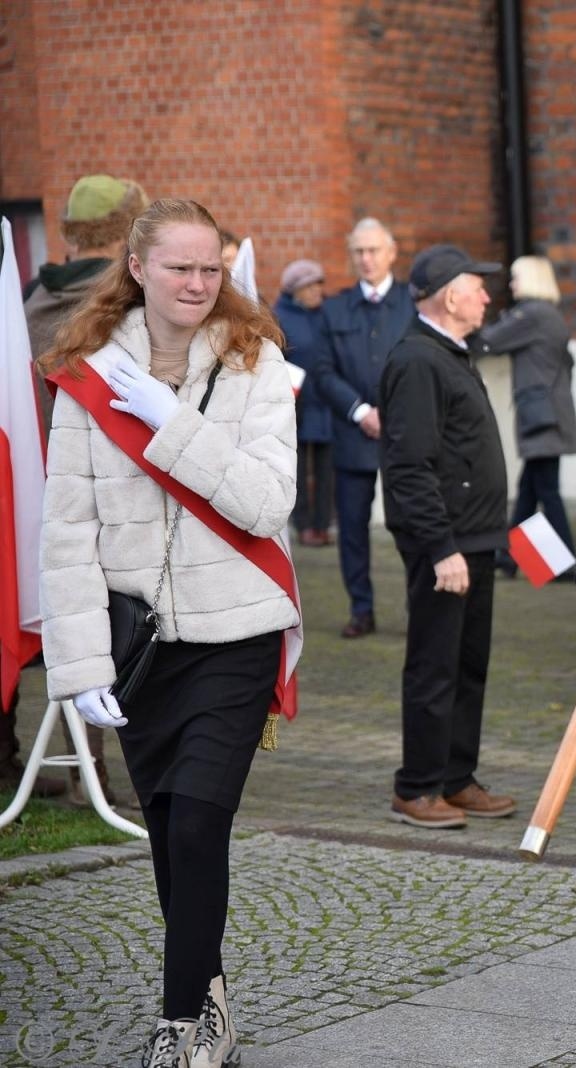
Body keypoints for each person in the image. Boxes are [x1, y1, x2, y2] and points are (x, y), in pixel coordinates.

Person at [36, 198, 299, 1068]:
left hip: (237, 635)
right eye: (179, 266)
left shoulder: (256, 362)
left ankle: (183, 1024)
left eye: (210, 268)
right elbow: (67, 532)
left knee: (197, 828)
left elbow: (266, 502)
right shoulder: (84, 375)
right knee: (168, 830)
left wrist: (169, 419)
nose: (196, 283)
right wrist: (77, 664)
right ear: (138, 267)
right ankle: (211, 989)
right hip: (138, 646)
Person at [13, 173, 150, 802]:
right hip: (98, 484)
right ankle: (92, 771)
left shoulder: (27, 300)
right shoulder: (118, 305)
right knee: (109, 618)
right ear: (130, 229)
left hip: (28, 485)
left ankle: (28, 758)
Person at [378, 245, 513, 829]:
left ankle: (456, 778)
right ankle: (417, 786)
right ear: (449, 296)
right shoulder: (417, 361)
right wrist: (441, 548)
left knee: (468, 666)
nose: (486, 295)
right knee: (435, 667)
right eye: (476, 286)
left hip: (474, 539)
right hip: (447, 547)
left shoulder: (451, 353)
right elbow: (409, 465)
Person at [312, 218, 415, 638]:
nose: (366, 258)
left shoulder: (413, 303)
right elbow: (321, 368)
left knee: (410, 524)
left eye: (374, 250)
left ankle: (420, 606)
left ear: (391, 253)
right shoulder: (334, 308)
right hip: (353, 434)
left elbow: (422, 363)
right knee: (352, 528)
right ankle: (361, 609)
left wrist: (392, 411)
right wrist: (359, 411)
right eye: (359, 251)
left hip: (404, 435)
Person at [474, 254, 576, 576]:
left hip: (541, 415)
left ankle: (567, 565)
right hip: (549, 413)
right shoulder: (549, 315)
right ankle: (509, 558)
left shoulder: (532, 314)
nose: (511, 283)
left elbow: (488, 341)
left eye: (516, 277)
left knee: (545, 490)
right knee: (531, 490)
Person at [274, 259, 336, 547]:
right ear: (295, 290)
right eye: (309, 287)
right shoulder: (280, 315)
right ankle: (302, 525)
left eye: (318, 285)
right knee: (295, 467)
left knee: (326, 468)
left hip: (326, 400)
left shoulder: (327, 314)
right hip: (296, 403)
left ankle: (322, 525)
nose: (315, 292)